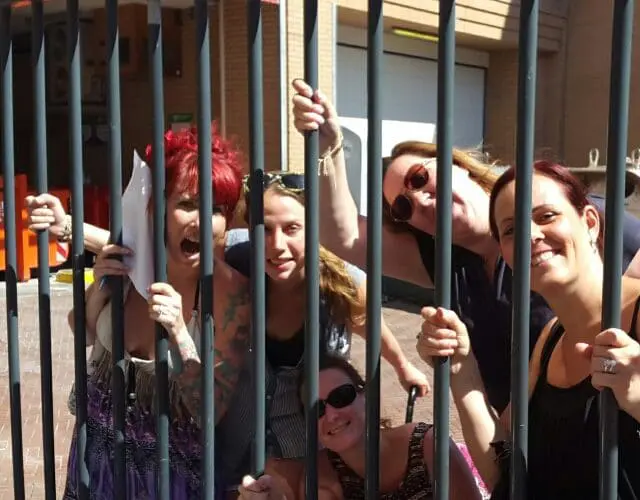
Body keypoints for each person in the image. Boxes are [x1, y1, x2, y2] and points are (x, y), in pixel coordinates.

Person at [290, 78, 640, 413]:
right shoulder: (444, 262)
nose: (419, 199)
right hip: (525, 436)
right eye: (403, 207)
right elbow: (342, 235)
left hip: (611, 422)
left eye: (420, 177)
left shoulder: (566, 218)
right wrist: (328, 148)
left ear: (458, 166)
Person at [416, 161, 640, 499]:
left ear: (590, 222)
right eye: (510, 230)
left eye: (546, 216)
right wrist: (461, 370)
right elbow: (506, 473)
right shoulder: (549, 341)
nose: (529, 236)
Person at [59, 125, 252, 499]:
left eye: (216, 209)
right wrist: (100, 287)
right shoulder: (133, 262)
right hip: (96, 460)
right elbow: (82, 330)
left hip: (172, 475)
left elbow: (210, 411)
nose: (202, 220)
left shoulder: (231, 296)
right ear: (157, 208)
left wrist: (179, 332)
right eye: (187, 204)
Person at [216, 171, 429, 489]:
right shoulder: (234, 260)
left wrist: (403, 366)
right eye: (264, 229)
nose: (277, 246)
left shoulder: (345, 283)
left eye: (292, 228)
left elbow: (372, 325)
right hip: (236, 448)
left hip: (309, 455)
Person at [237, 354, 482, 500]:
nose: (331, 414)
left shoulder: (428, 446)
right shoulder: (322, 478)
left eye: (341, 396)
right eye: (316, 409)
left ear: (365, 396)